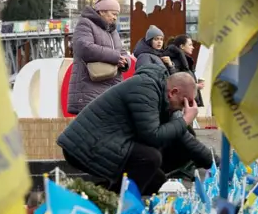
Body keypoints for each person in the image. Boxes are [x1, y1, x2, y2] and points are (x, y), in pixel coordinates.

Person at [57, 64, 213, 195]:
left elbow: (186, 139)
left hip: (110, 142)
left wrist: (216, 164)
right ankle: (118, 207)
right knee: (150, 158)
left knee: (156, 180)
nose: (185, 109)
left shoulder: (162, 98)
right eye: (184, 103)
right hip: (85, 144)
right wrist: (185, 119)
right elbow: (152, 135)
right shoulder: (145, 88)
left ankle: (100, 197)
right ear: (173, 93)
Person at [67, 0, 130, 115]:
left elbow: (121, 52)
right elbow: (84, 48)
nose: (115, 18)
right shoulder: (85, 24)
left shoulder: (113, 31)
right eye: (113, 14)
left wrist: (125, 61)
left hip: (112, 87)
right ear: (101, 11)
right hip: (89, 88)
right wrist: (115, 57)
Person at [163, 34, 204, 106]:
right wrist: (195, 86)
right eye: (190, 45)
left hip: (187, 103)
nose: (193, 47)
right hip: (183, 103)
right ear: (182, 46)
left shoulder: (185, 60)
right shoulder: (177, 61)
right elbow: (177, 80)